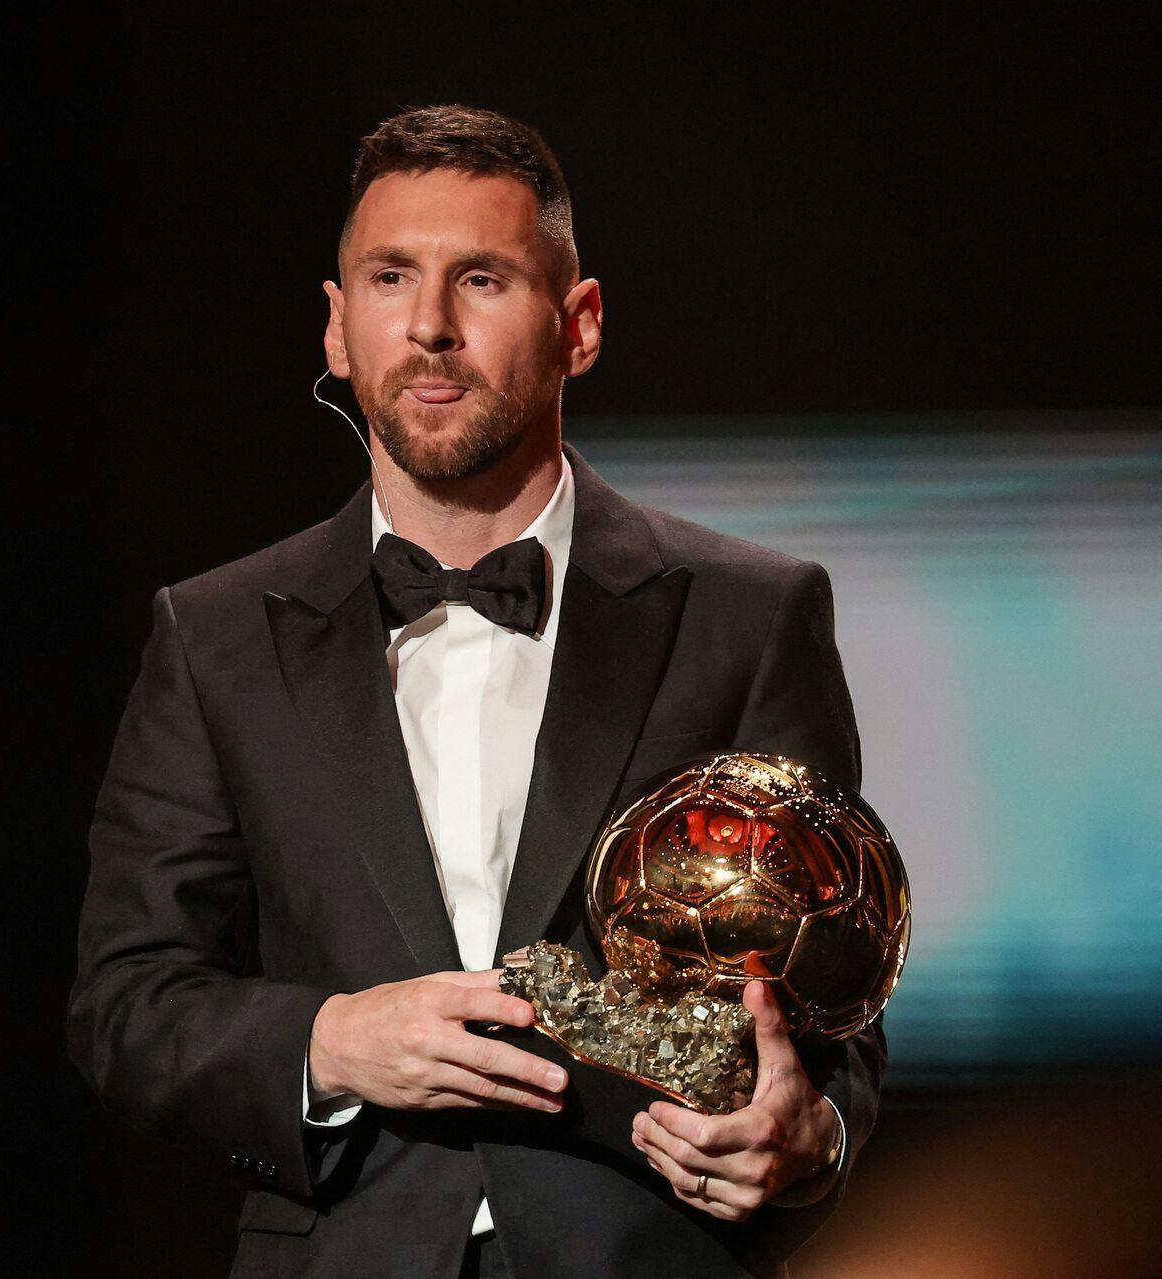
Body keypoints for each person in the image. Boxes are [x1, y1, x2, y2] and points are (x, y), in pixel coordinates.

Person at [67, 105, 883, 1279]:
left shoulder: (749, 615)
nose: (433, 326)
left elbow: (834, 1010)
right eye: (392, 277)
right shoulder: (215, 636)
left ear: (580, 325)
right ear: (340, 329)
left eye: (484, 278)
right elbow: (126, 1005)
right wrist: (332, 1041)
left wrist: (808, 1141)